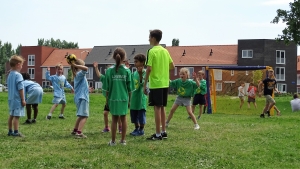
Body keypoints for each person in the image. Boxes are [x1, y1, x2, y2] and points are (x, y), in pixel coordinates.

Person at [143, 29, 175, 140]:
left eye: (149, 37)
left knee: (156, 107)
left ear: (153, 38)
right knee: (162, 107)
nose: (148, 39)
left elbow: (149, 69)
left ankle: (157, 134)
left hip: (155, 83)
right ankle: (163, 132)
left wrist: (144, 83)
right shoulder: (165, 51)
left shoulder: (151, 51)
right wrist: (163, 70)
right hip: (165, 83)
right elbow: (172, 66)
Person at [103, 47, 134, 146]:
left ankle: (113, 141)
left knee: (114, 119)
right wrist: (130, 100)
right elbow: (130, 89)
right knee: (124, 118)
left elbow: (106, 88)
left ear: (113, 57)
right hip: (124, 98)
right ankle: (123, 141)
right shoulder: (127, 71)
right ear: (124, 57)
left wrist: (107, 100)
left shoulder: (109, 71)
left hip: (113, 98)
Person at [93, 62, 128, 133]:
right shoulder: (105, 78)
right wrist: (96, 68)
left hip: (114, 98)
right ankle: (106, 127)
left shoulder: (114, 78)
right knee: (105, 113)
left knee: (117, 114)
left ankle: (120, 127)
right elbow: (99, 75)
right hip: (108, 100)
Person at [70, 59, 89, 138]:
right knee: (84, 116)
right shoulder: (80, 74)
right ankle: (79, 132)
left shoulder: (77, 75)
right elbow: (86, 68)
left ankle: (75, 130)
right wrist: (76, 65)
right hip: (83, 97)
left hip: (78, 97)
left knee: (80, 115)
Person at [7, 55, 26, 137]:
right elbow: (20, 88)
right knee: (16, 116)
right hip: (17, 99)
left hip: (11, 98)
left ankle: (10, 131)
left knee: (11, 115)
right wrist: (23, 99)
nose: (22, 66)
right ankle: (16, 132)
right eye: (21, 64)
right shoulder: (18, 75)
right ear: (18, 64)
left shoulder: (10, 75)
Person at [130, 54, 148, 136]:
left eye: (136, 62)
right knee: (134, 113)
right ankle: (136, 128)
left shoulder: (145, 73)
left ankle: (141, 129)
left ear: (142, 62)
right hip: (134, 98)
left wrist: (141, 74)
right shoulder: (134, 73)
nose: (134, 63)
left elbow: (142, 84)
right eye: (134, 61)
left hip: (141, 98)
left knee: (141, 113)